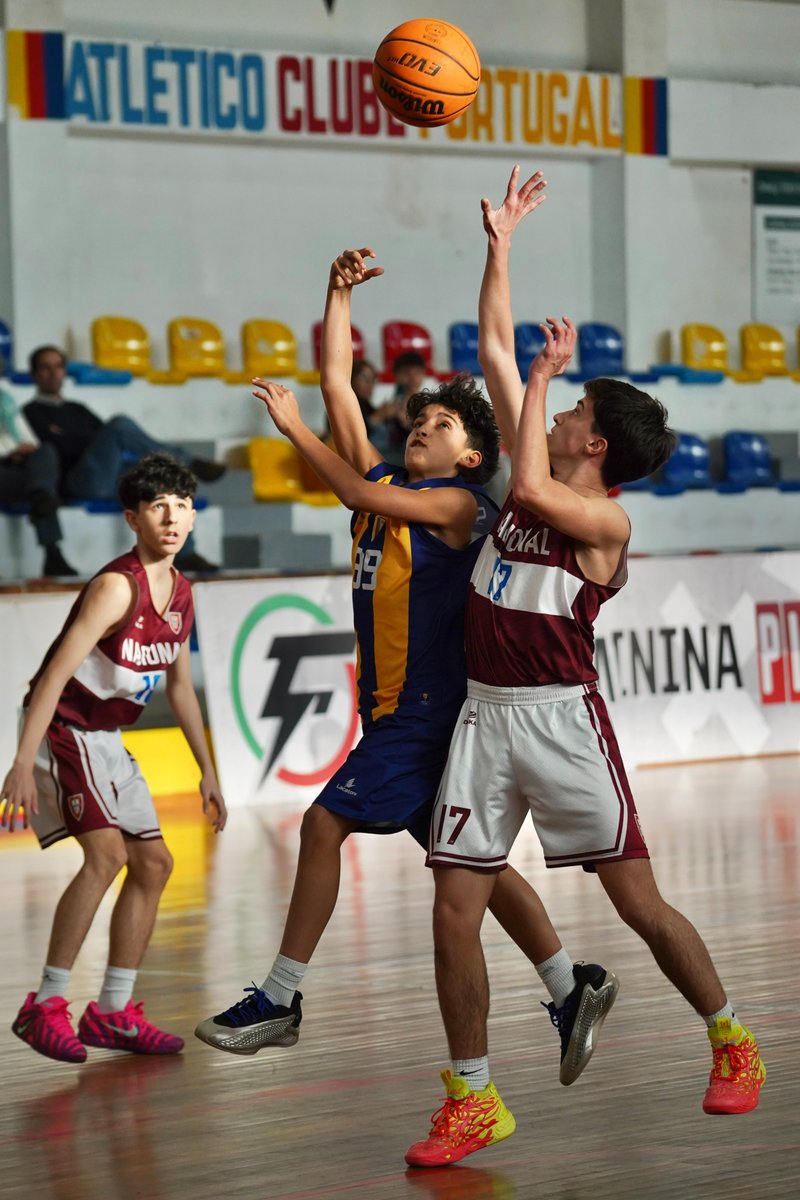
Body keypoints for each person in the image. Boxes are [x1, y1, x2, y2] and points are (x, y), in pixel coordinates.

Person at [406, 167, 766, 1169]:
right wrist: (502, 244)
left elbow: (525, 470)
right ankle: (472, 1097)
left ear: (593, 441)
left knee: (636, 905)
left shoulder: (602, 519)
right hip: (483, 719)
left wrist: (542, 378)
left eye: (567, 412)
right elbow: (487, 349)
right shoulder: (535, 459)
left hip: (561, 722)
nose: (551, 412)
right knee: (450, 906)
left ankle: (731, 1037)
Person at [195, 248, 618, 1082]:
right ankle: (572, 988)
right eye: (418, 422)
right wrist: (336, 295)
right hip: (399, 706)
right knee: (473, 867)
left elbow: (351, 491)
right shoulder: (390, 476)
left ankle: (281, 997)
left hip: (427, 709)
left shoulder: (461, 505)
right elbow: (337, 387)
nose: (422, 428)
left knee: (323, 825)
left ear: (471, 458)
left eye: (443, 427)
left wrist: (293, 434)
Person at [1, 452, 227, 1063]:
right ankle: (45, 1004)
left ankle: (112, 1012)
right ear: (133, 518)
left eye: (182, 505)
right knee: (106, 856)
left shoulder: (183, 592)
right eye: (158, 506)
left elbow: (179, 687)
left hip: (107, 735)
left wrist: (208, 768)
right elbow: (53, 675)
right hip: (65, 726)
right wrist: (21, 761)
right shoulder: (115, 586)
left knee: (153, 864)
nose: (173, 517)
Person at [23, 345, 225, 573]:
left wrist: (76, 438)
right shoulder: (31, 411)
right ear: (34, 374)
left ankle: (185, 553)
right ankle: (187, 461)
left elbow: (100, 440)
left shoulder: (77, 409)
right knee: (119, 425)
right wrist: (85, 441)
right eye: (45, 367)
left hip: (105, 473)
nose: (53, 373)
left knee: (162, 480)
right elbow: (61, 447)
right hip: (78, 479)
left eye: (58, 366)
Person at [0, 386, 77, 576]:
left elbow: (30, 440)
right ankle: (52, 553)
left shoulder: (5, 401)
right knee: (41, 487)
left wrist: (25, 451)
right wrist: (9, 456)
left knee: (46, 454)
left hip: (18, 469)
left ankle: (52, 555)